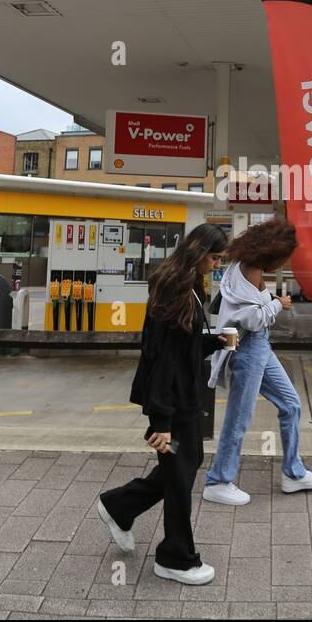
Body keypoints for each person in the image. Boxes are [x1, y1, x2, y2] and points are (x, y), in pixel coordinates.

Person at [97, 223, 236, 585]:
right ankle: (175, 558)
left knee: (184, 464)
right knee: (180, 473)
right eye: (216, 257)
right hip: (173, 404)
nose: (217, 265)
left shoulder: (185, 283)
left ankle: (119, 505)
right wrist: (162, 421)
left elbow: (182, 348)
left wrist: (215, 341)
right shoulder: (177, 287)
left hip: (180, 399)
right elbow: (161, 358)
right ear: (199, 250)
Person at [203, 217, 312, 505]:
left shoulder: (243, 265)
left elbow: (246, 307)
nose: (283, 263)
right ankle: (218, 481)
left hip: (257, 348)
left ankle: (293, 473)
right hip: (250, 349)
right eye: (283, 257)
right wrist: (277, 304)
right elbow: (254, 318)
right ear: (272, 253)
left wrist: (268, 299)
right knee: (239, 418)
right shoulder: (250, 270)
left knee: (292, 404)